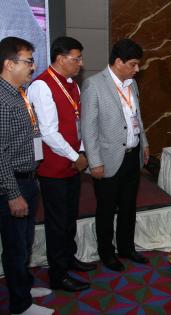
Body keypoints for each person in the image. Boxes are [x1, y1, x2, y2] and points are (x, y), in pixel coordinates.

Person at [27, 36, 96, 292]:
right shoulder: (42, 86)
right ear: (60, 58)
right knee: (56, 222)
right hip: (53, 167)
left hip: (71, 163)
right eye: (76, 58)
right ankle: (58, 274)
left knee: (70, 217)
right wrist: (75, 156)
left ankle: (69, 258)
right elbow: (48, 133)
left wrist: (81, 151)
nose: (81, 63)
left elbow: (76, 125)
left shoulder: (73, 86)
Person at [81, 38, 149, 271]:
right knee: (106, 208)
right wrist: (95, 161)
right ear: (118, 62)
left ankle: (127, 247)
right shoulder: (94, 84)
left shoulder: (131, 83)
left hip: (132, 155)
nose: (137, 69)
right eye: (133, 64)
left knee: (129, 206)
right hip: (107, 158)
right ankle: (106, 253)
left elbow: (137, 117)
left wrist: (145, 143)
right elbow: (88, 128)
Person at [0, 37, 54, 315]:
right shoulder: (2, 99)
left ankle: (24, 285)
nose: (33, 67)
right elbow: (0, 154)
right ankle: (20, 305)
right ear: (10, 64)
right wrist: (13, 194)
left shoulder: (18, 92)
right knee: (15, 246)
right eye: (28, 61)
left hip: (28, 177)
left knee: (25, 241)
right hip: (14, 183)